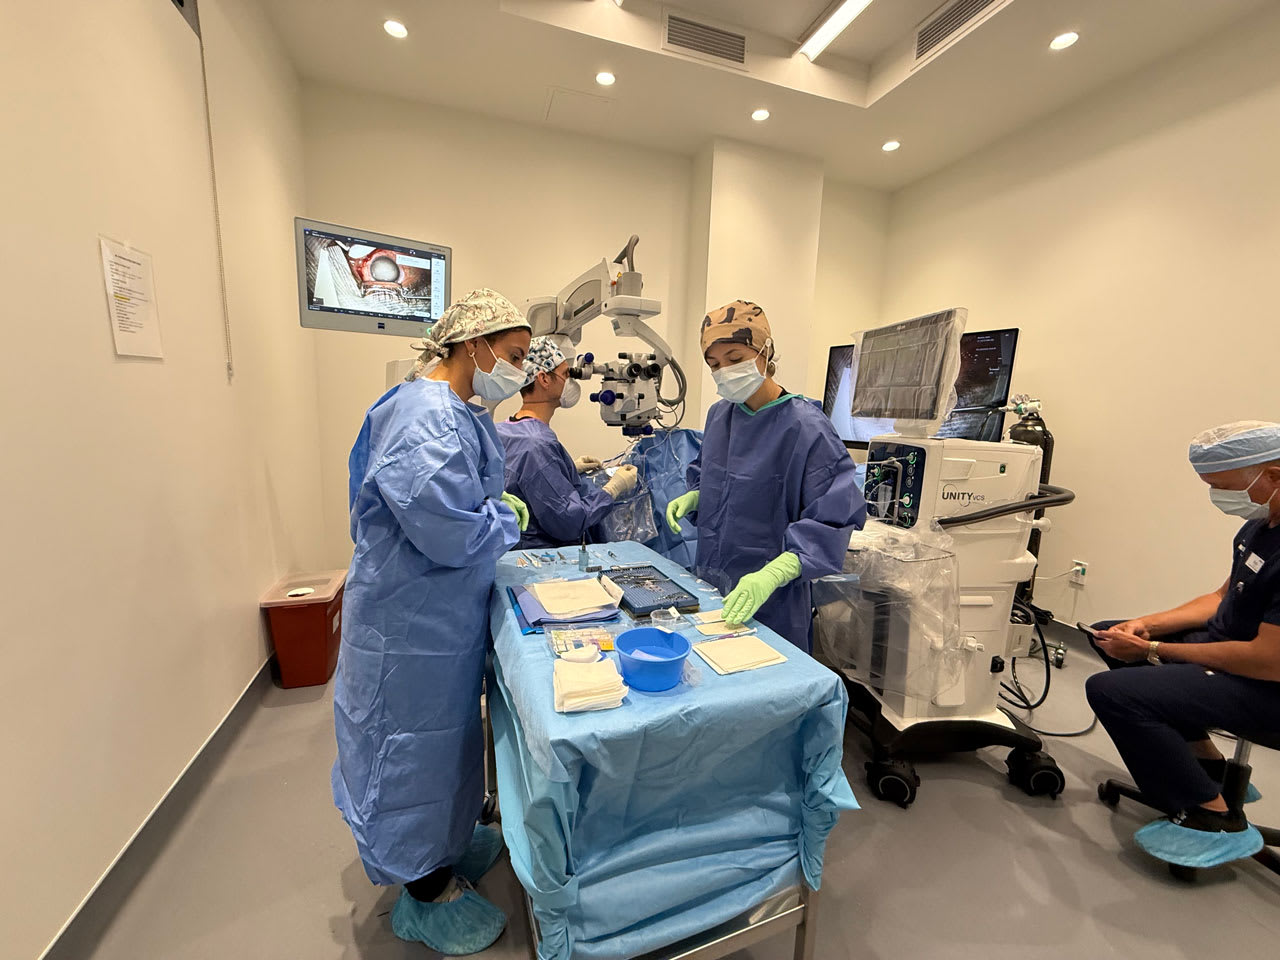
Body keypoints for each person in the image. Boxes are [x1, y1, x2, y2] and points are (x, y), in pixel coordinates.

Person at [331, 288, 533, 956]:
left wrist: (493, 513)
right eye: (511, 356)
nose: (518, 372)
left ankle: (445, 844)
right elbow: (449, 532)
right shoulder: (426, 417)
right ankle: (421, 890)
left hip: (436, 620)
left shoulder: (457, 411)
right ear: (471, 347)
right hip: (405, 627)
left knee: (445, 741)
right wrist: (504, 519)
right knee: (408, 750)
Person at [1086, 421, 1280, 862]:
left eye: (1225, 486)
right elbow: (1221, 597)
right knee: (1109, 633)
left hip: (1268, 684)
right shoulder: (1263, 522)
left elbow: (1268, 661)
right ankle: (1207, 765)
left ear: (1273, 475)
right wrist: (1145, 626)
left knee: (1110, 692)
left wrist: (1154, 651)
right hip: (1238, 647)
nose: (1219, 497)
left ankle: (1214, 817)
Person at [665, 300, 866, 652]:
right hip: (714, 584)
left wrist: (772, 574)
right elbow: (710, 477)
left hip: (774, 601)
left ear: (764, 352)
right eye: (714, 364)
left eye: (734, 358)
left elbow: (833, 517)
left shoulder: (806, 427)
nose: (723, 370)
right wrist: (698, 495)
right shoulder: (719, 416)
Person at [496, 336, 639, 548]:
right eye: (565, 374)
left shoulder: (506, 429)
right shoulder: (537, 444)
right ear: (544, 379)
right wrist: (613, 489)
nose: (570, 381)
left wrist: (567, 469)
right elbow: (568, 521)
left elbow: (526, 482)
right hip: (543, 562)